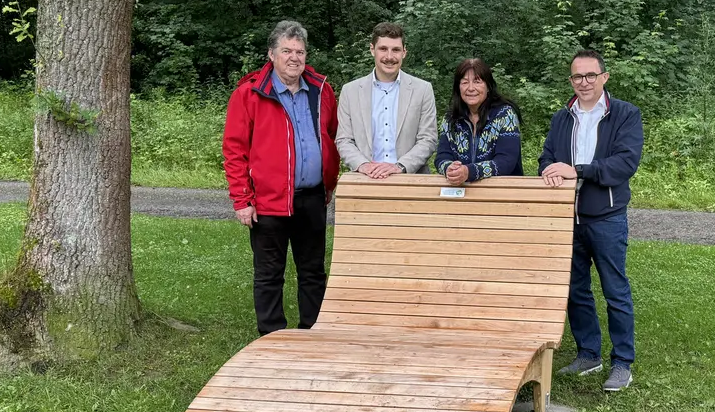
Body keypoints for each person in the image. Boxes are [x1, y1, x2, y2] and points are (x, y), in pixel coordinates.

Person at [221, 20, 340, 335]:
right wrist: (242, 200)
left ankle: (312, 333)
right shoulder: (249, 94)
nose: (294, 57)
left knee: (313, 272)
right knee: (269, 274)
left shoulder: (321, 90)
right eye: (286, 50)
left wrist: (330, 180)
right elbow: (234, 150)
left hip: (313, 197)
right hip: (268, 201)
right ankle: (271, 336)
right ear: (271, 54)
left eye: (300, 51)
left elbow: (332, 137)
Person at [538, 49, 644, 392]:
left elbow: (624, 164)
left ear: (604, 77)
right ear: (571, 80)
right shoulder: (562, 118)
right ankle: (588, 353)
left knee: (615, 289)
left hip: (607, 216)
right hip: (567, 217)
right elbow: (547, 158)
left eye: (590, 76)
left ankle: (622, 362)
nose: (583, 82)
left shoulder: (625, 114)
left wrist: (578, 170)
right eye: (577, 77)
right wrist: (549, 172)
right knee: (575, 289)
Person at [335, 22, 438, 177]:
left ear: (404, 52)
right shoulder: (350, 91)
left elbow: (428, 139)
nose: (389, 57)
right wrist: (364, 166)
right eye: (383, 49)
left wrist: (400, 166)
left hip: (410, 181)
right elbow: (344, 140)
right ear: (372, 50)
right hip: (366, 180)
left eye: (395, 50)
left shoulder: (423, 90)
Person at [434, 57, 522, 184]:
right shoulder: (451, 118)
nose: (470, 88)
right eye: (464, 82)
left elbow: (506, 162)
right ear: (458, 88)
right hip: (461, 191)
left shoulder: (504, 114)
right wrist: (449, 168)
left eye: (477, 82)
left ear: (488, 87)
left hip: (502, 191)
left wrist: (469, 172)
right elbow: (441, 157)